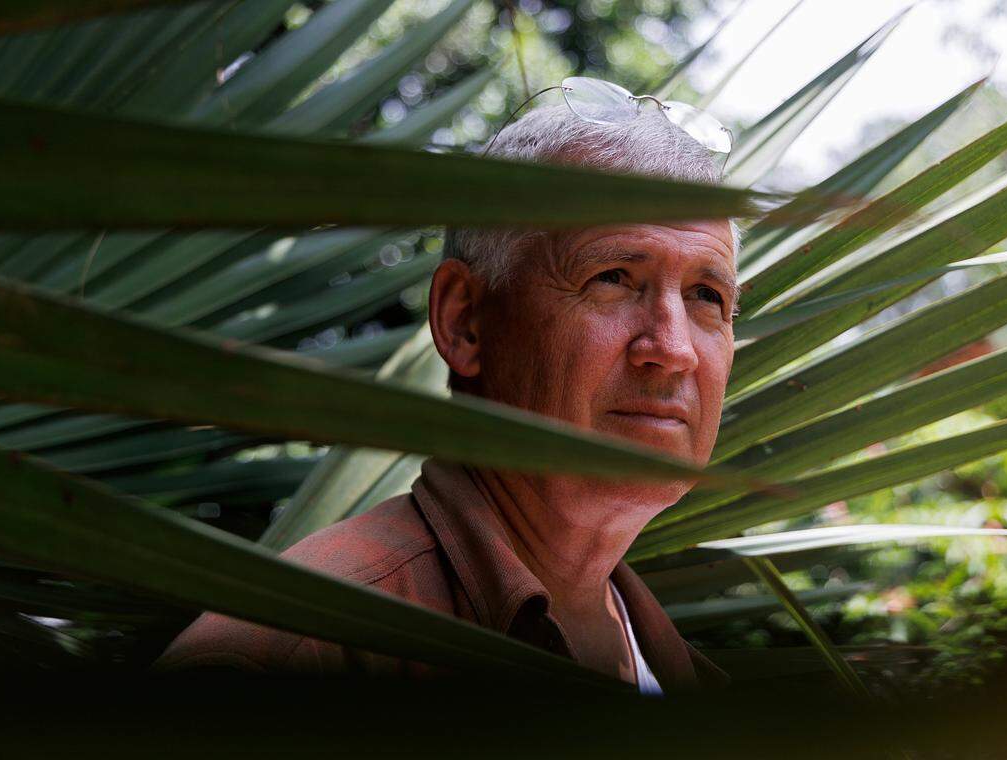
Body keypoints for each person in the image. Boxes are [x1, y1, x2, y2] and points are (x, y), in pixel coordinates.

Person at [156, 96, 738, 695]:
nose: (673, 349)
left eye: (706, 297)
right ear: (464, 323)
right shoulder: (298, 651)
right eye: (611, 278)